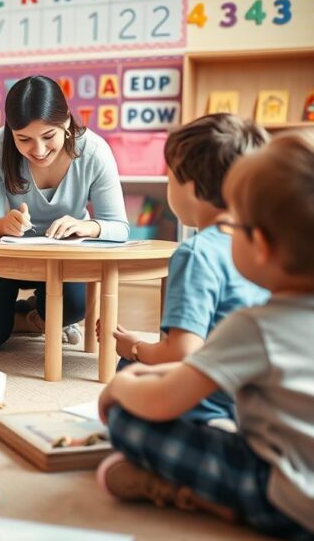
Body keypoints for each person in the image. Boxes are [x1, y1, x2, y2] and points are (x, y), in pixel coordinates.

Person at [96, 128, 314, 540]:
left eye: (233, 224)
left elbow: (161, 400)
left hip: (306, 513)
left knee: (126, 421)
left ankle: (212, 501)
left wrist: (119, 388)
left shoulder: (258, 326)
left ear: (259, 244)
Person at [107, 114, 270, 425]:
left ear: (192, 190)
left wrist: (136, 348)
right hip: (260, 402)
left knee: (125, 376)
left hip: (211, 403)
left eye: (170, 178)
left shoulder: (196, 252)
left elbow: (182, 354)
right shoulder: (264, 245)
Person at [0, 75, 129, 349]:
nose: (39, 150)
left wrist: (87, 227)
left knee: (71, 308)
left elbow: (119, 227)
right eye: (24, 139)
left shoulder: (94, 151)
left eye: (48, 136)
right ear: (10, 130)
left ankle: (30, 315)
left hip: (65, 259)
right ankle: (21, 318)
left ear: (66, 120)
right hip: (9, 257)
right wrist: (3, 225)